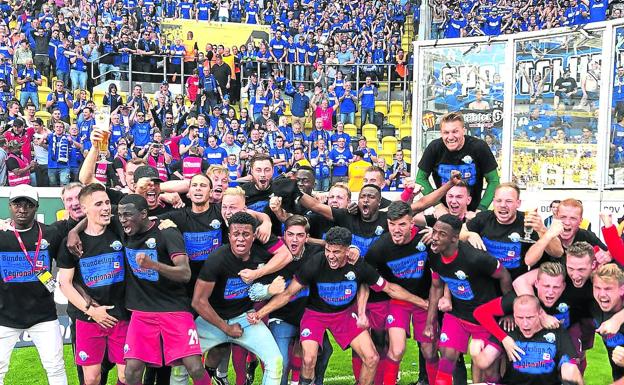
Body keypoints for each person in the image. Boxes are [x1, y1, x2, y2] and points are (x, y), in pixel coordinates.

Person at [250, 226, 428, 385]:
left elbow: (389, 288)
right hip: (315, 315)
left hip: (344, 315)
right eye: (328, 250)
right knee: (309, 358)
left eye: (336, 252)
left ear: (347, 250)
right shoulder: (316, 263)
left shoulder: (359, 266)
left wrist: (421, 302)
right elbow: (289, 293)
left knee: (372, 357)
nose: (330, 256)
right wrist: (260, 313)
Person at [113, 194, 211, 385]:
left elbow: (184, 273)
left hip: (174, 308)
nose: (122, 219)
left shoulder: (167, 232)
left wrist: (153, 265)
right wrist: (75, 230)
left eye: (127, 214)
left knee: (195, 367)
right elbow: (93, 212)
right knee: (131, 372)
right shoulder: (123, 227)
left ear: (143, 214)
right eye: (120, 215)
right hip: (142, 312)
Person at [192, 212, 283, 385]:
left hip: (244, 318)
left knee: (275, 361)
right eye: (236, 234)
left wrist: (269, 287)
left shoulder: (261, 255)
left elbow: (285, 255)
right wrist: (226, 328)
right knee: (181, 363)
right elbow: (198, 301)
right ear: (229, 236)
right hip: (212, 319)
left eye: (246, 234)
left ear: (254, 236)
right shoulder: (217, 259)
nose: (240, 239)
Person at [425, 214, 512, 385]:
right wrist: (430, 321)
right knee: (446, 361)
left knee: (490, 371)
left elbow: (504, 276)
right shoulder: (434, 254)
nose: (434, 238)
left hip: (484, 319)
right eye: (434, 231)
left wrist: (507, 312)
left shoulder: (476, 258)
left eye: (442, 234)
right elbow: (436, 286)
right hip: (457, 315)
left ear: (454, 238)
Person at [57, 184, 129, 385]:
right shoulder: (72, 243)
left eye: (107, 202)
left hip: (120, 316)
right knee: (91, 378)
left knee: (127, 375)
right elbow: (65, 284)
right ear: (84, 208)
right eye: (99, 204)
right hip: (88, 319)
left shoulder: (118, 229)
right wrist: (92, 311)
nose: (106, 207)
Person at [0, 185, 67, 385]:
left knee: (55, 367)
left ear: (36, 207)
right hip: (5, 317)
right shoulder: (1, 234)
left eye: (28, 204)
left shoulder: (50, 233)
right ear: (9, 206)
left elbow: (77, 221)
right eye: (17, 204)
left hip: (43, 316)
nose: (22, 209)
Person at [364, 201, 435, 385]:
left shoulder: (424, 238)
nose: (396, 229)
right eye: (392, 224)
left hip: (426, 300)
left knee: (429, 350)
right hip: (398, 302)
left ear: (412, 223)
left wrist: (437, 235)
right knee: (396, 350)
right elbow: (368, 280)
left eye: (402, 224)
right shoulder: (379, 249)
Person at [475, 295, 583, 385]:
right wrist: (476, 351)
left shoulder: (557, 332)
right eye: (520, 318)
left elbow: (570, 366)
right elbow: (484, 361)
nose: (525, 323)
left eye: (530, 317)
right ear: (514, 315)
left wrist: (569, 371)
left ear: (540, 314)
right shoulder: (508, 328)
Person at [461, 183, 563, 278]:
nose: (503, 205)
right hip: (487, 281)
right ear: (493, 201)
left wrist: (542, 230)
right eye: (499, 200)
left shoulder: (528, 221)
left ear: (518, 203)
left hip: (516, 282)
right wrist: (469, 235)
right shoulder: (484, 218)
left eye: (509, 201)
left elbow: (558, 252)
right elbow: (458, 232)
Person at [416, 111, 499, 215]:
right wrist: (437, 205)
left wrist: (481, 209)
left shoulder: (479, 147)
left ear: (463, 131)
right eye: (446, 132)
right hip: (444, 214)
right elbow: (420, 179)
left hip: (472, 214)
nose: (450, 137)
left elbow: (494, 181)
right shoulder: (434, 148)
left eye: (455, 131)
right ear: (441, 133)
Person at [591, 263, 624, 383]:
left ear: (622, 289)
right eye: (597, 288)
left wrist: (617, 319)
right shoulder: (593, 305)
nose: (602, 294)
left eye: (608, 289)